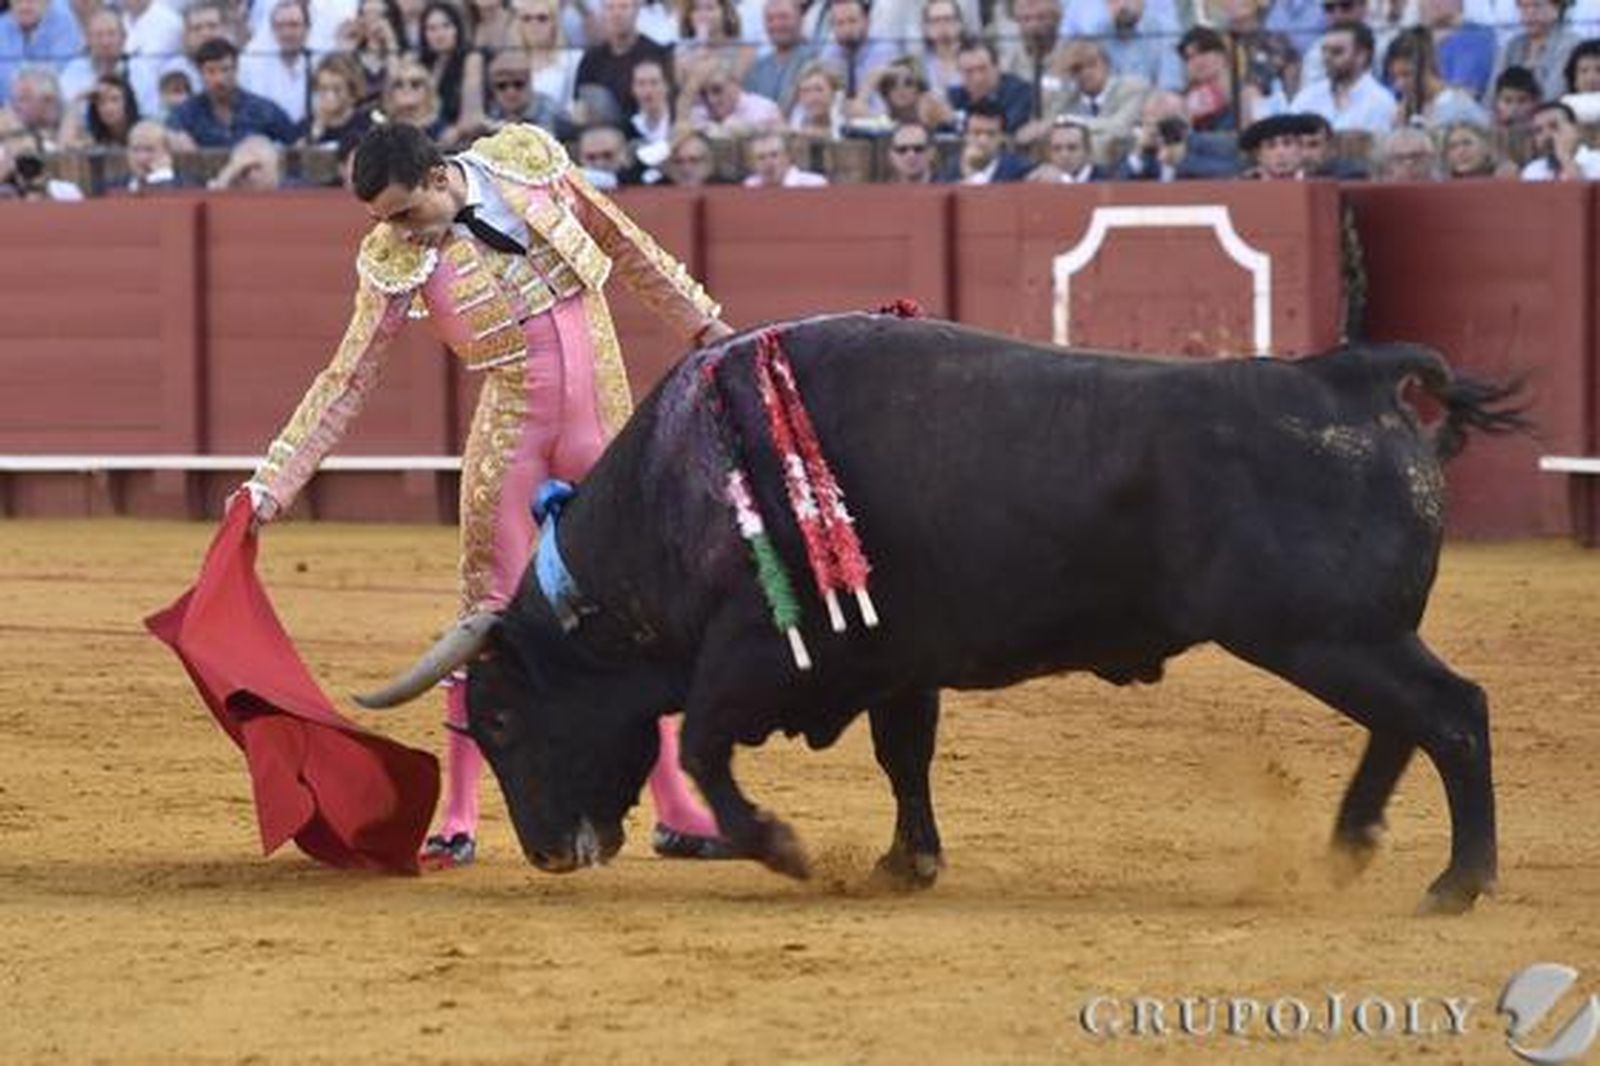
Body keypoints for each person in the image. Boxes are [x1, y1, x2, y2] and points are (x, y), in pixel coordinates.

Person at [240, 121, 736, 869]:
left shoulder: (529, 165)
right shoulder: (394, 260)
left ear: (440, 177)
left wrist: (705, 326)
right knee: (485, 620)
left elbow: (627, 245)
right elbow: (348, 378)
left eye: (405, 213)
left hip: (605, 431)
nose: (396, 233)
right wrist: (272, 483)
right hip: (512, 438)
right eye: (383, 221)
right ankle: (460, 814)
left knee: (638, 621)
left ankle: (676, 809)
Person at [1520, 98, 1600, 178]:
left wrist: (1565, 158)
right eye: (1538, 130)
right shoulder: (1532, 170)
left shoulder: (1597, 162)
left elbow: (1581, 190)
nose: (1547, 134)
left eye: (1554, 126)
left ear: (1576, 129)